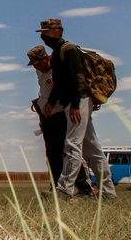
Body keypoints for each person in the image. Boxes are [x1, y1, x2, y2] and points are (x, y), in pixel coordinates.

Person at [37, 19, 116, 201]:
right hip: (71, 103)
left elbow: (77, 78)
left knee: (72, 144)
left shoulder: (70, 50)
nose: (43, 36)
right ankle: (109, 193)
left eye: (46, 32)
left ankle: (64, 190)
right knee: (93, 149)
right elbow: (59, 82)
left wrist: (74, 105)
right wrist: (51, 102)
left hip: (78, 101)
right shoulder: (57, 54)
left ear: (58, 31)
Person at [28, 45, 95, 196]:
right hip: (47, 118)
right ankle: (57, 187)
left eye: (38, 63)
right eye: (33, 65)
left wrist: (52, 104)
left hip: (61, 115)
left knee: (69, 152)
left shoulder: (58, 70)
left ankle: (86, 189)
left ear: (46, 58)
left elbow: (60, 89)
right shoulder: (40, 72)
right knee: (52, 155)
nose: (36, 67)